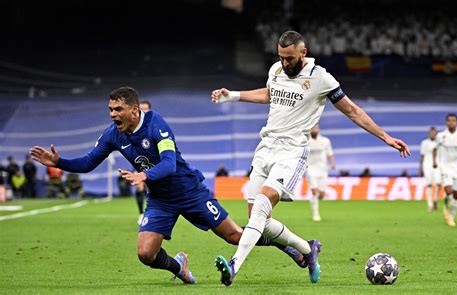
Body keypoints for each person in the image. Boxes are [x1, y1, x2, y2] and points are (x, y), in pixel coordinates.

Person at [30, 86, 307, 285]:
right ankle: (179, 266)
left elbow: (169, 163)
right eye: (110, 110)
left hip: (189, 191)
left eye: (118, 109)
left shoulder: (156, 124)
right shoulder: (113, 135)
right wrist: (58, 162)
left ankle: (290, 247)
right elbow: (89, 162)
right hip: (161, 200)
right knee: (145, 254)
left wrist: (144, 177)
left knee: (234, 236)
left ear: (134, 110)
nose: (113, 115)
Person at [210, 30, 410, 286]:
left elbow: (352, 110)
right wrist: (234, 95)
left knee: (262, 204)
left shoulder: (321, 78)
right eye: (281, 57)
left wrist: (385, 137)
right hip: (265, 148)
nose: (284, 63)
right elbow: (271, 94)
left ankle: (234, 265)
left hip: (292, 152)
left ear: (303, 53)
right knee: (258, 220)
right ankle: (307, 249)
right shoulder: (276, 70)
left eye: (289, 58)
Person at [433, 114, 457, 227]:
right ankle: (446, 206)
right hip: (445, 166)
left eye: (453, 121)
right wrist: (435, 161)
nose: (451, 123)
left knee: (456, 194)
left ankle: (451, 216)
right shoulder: (441, 135)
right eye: (449, 121)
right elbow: (435, 148)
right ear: (446, 122)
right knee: (449, 190)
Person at [305, 125, 335, 221]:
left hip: (322, 170)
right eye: (312, 128)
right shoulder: (306, 141)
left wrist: (332, 163)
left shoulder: (325, 141)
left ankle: (313, 201)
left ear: (319, 129)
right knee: (314, 192)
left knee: (321, 194)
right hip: (310, 169)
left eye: (316, 128)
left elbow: (329, 153)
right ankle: (316, 214)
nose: (314, 130)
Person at [135, 99, 152, 224]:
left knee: (151, 188)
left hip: (154, 164)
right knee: (139, 187)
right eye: (141, 109)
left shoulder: (154, 125)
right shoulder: (134, 127)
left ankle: (150, 213)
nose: (143, 111)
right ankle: (141, 213)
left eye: (145, 109)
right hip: (139, 163)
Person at [419, 127, 442, 212]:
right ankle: (430, 204)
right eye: (431, 133)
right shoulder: (424, 143)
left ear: (436, 134)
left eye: (434, 133)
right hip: (427, 164)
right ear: (429, 134)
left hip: (438, 164)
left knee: (439, 183)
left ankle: (435, 199)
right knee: (428, 184)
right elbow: (422, 156)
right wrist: (420, 168)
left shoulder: (439, 143)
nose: (432, 134)